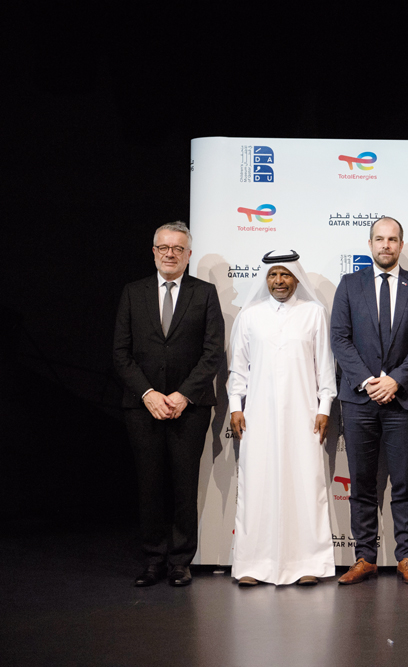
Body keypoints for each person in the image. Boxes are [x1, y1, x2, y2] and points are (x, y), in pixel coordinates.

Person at [113, 221, 225, 587]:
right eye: (164, 248)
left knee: (183, 484)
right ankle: (152, 560)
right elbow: (121, 353)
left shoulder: (205, 293)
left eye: (178, 248)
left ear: (188, 255)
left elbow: (212, 354)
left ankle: (180, 561)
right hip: (142, 406)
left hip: (188, 408)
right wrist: (148, 394)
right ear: (154, 252)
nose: (170, 254)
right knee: (149, 485)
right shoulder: (133, 292)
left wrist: (181, 394)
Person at [330, 217, 408, 585]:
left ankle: (406, 557)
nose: (386, 245)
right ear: (370, 243)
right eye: (380, 239)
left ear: (401, 245)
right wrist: (367, 381)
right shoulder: (349, 285)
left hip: (402, 400)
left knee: (405, 482)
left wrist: (395, 380)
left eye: (392, 240)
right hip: (359, 401)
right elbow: (340, 339)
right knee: (361, 482)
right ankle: (365, 557)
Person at [227, 251, 338, 586]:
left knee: (304, 486)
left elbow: (325, 367)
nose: (279, 281)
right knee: (257, 487)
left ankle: (308, 565)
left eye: (285, 275)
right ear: (265, 278)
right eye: (273, 275)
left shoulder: (314, 314)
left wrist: (324, 408)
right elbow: (238, 369)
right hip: (257, 417)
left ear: (296, 278)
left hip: (304, 416)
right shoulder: (250, 316)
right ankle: (252, 565)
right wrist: (235, 405)